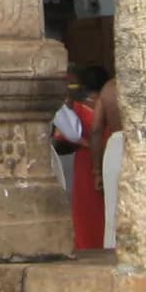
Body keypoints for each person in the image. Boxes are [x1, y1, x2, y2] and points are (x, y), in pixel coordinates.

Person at [54, 67, 107, 251]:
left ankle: (89, 245)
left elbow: (64, 138)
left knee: (87, 210)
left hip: (88, 162)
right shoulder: (103, 103)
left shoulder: (80, 108)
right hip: (101, 159)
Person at [91, 73, 123, 249]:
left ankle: (111, 248)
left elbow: (96, 129)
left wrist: (96, 171)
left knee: (112, 207)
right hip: (142, 145)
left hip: (115, 147)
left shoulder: (108, 89)